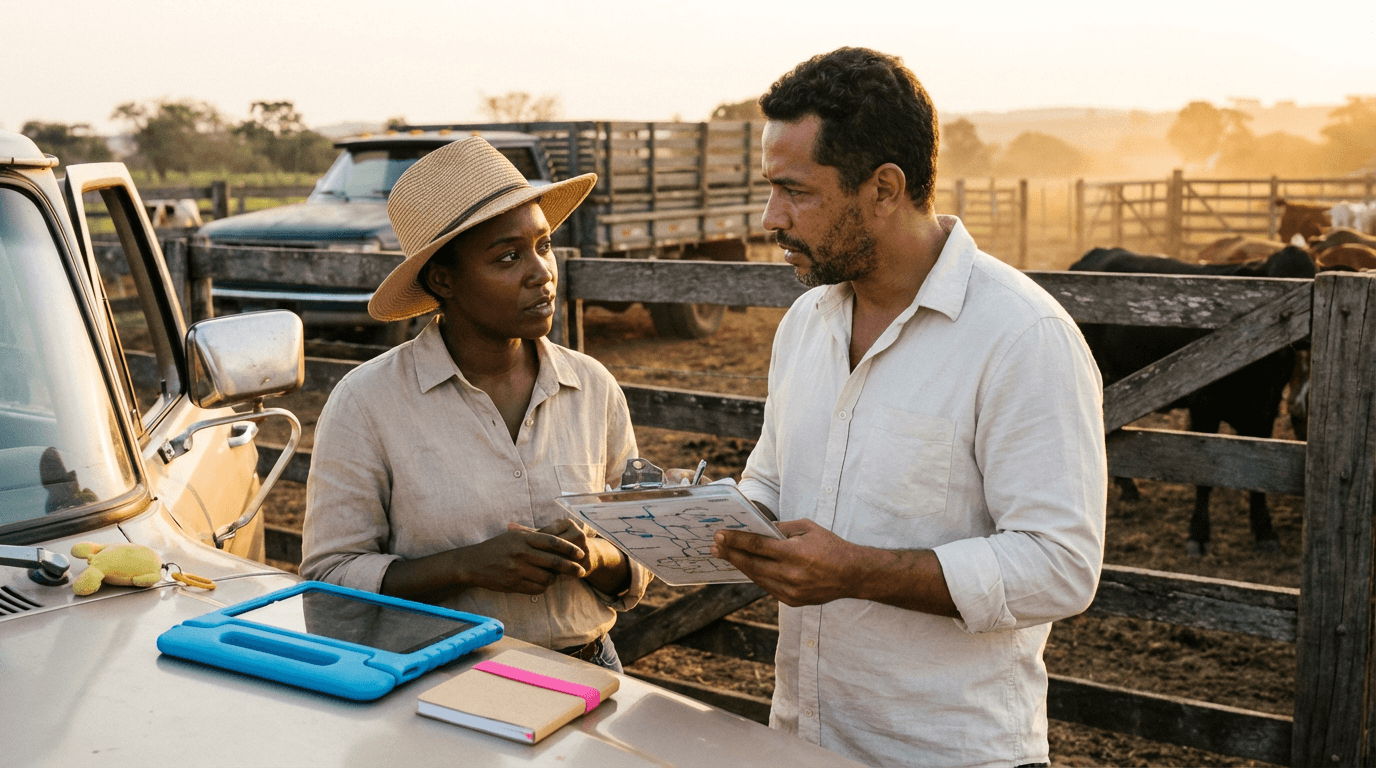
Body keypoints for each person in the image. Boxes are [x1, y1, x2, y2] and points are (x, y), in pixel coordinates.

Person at [711, 48, 1107, 767]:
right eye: (771, 190)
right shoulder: (805, 324)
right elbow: (770, 482)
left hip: (950, 751)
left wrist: (857, 570)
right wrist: (700, 520)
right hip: (802, 737)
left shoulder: (1023, 335)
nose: (771, 218)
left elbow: (1061, 566)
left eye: (795, 191)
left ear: (884, 189)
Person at [300, 137, 649, 671]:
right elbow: (329, 580)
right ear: (443, 279)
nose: (541, 272)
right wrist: (466, 567)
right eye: (508, 256)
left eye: (544, 245)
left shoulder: (592, 388)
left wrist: (595, 554)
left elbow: (642, 550)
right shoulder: (367, 403)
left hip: (589, 670)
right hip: (437, 682)